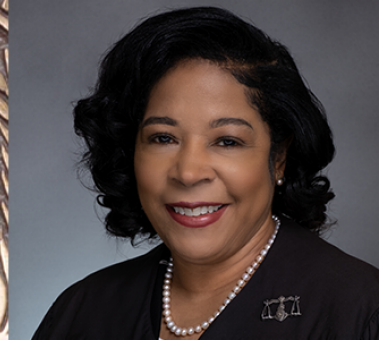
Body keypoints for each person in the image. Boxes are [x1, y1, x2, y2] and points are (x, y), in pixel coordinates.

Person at [32, 7, 379, 340]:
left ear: (279, 157)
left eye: (227, 141)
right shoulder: (82, 311)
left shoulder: (359, 309)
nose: (188, 172)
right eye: (163, 138)